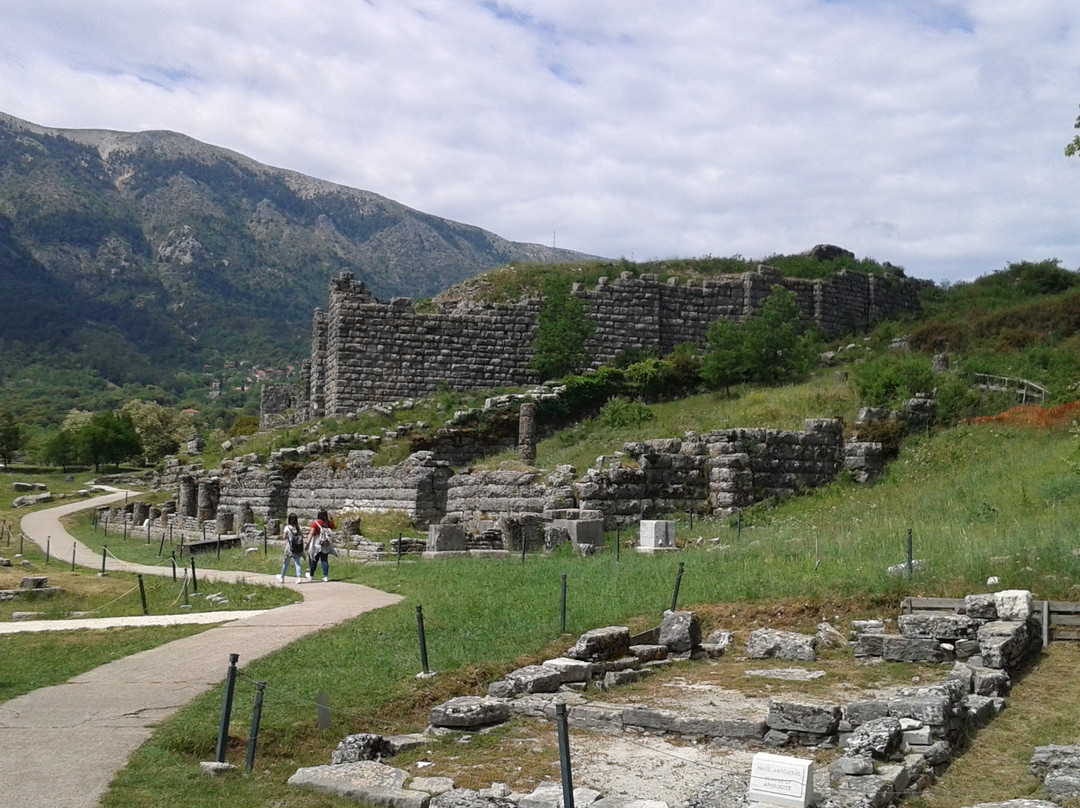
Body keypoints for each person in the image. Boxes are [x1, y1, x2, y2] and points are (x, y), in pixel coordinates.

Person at [306, 509, 336, 581]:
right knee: (324, 560)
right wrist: (330, 518)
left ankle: (311, 575)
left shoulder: (316, 523)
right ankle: (325, 576)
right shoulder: (328, 523)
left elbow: (311, 533)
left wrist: (307, 543)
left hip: (317, 543)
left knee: (314, 560)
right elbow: (334, 526)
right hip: (325, 544)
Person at [279, 513, 305, 584]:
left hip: (290, 547)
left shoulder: (287, 527)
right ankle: (299, 577)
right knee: (297, 562)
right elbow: (302, 536)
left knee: (286, 562)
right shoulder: (299, 527)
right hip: (298, 547)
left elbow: (284, 537)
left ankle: (282, 577)